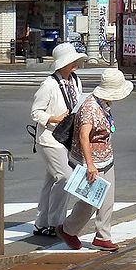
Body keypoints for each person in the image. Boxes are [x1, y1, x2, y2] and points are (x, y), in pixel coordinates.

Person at [60, 67, 133, 252]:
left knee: (107, 199)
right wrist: (90, 165)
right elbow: (84, 136)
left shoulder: (104, 104)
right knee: (90, 201)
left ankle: (103, 236)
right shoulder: (90, 107)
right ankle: (68, 229)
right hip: (90, 161)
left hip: (106, 157)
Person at [30, 42, 88, 238]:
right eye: (72, 62)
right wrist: (53, 118)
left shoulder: (75, 80)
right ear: (61, 64)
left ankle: (41, 223)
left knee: (51, 181)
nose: (76, 64)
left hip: (66, 138)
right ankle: (56, 223)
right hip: (50, 138)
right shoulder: (48, 84)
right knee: (65, 178)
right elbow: (35, 112)